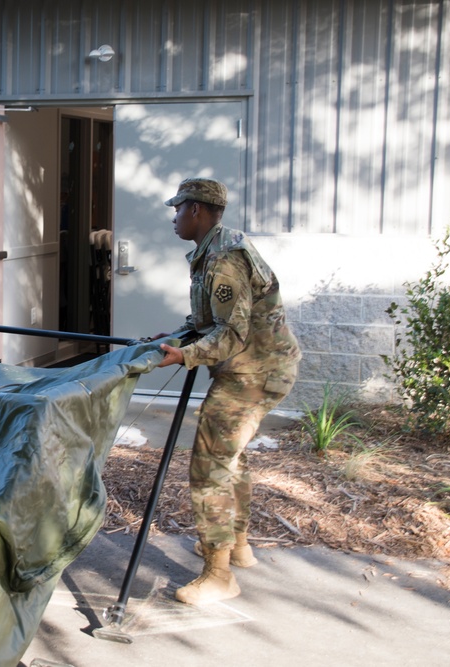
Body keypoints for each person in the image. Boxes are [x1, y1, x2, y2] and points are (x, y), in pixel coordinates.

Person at [155, 177, 301, 606]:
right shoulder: (217, 248)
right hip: (261, 366)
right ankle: (237, 547)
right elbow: (215, 318)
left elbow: (232, 335)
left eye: (178, 209)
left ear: (196, 210)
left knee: (210, 465)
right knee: (229, 457)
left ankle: (219, 576)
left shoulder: (223, 260)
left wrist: (185, 357)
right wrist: (183, 335)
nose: (174, 218)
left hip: (253, 372)